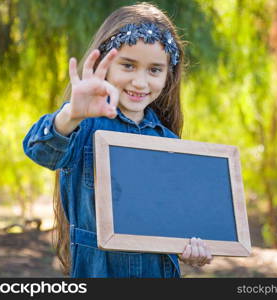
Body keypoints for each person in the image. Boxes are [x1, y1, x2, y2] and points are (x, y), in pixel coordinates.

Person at [23, 2, 212, 278]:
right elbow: (39, 151)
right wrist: (71, 115)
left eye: (154, 70)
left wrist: (192, 247)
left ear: (168, 74)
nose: (140, 82)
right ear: (105, 64)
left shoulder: (170, 142)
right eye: (128, 65)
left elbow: (178, 220)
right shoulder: (83, 127)